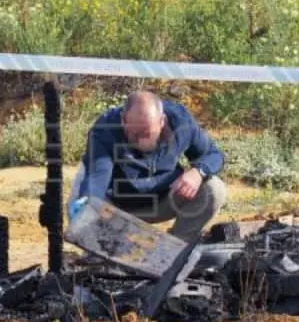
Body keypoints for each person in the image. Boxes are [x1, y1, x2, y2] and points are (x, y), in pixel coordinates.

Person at [67, 90, 228, 243]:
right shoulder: (105, 129)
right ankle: (103, 253)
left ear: (162, 121)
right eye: (135, 134)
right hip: (117, 206)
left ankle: (177, 248)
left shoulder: (180, 121)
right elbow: (97, 176)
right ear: (123, 120)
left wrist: (197, 172)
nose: (142, 141)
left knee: (213, 189)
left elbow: (214, 155)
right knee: (83, 202)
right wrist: (88, 206)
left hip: (164, 198)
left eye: (147, 133)